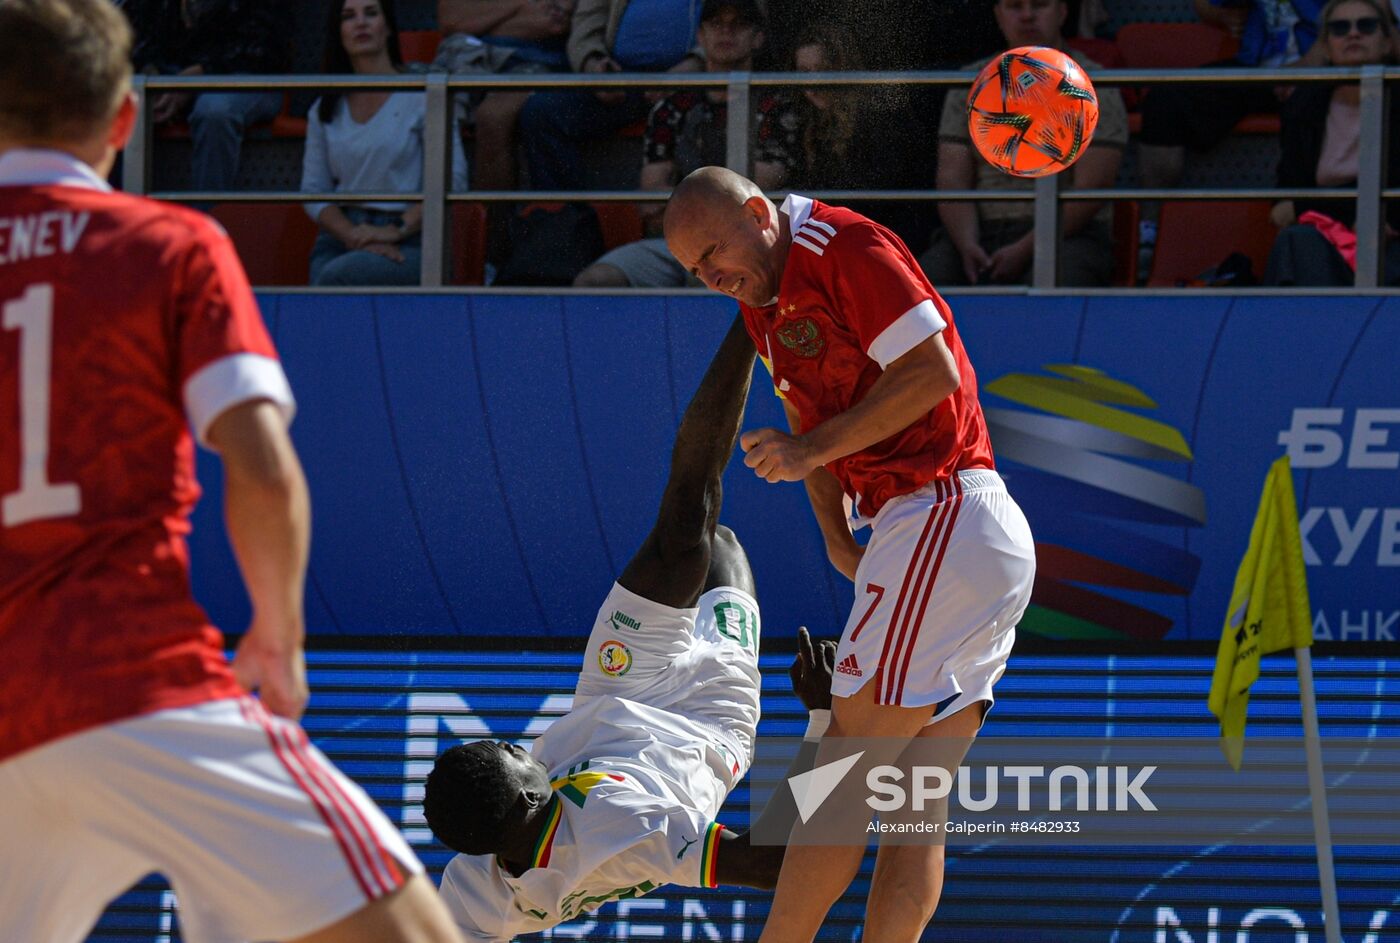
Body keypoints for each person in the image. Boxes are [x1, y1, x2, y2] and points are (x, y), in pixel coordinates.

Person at [0, 3, 462, 941]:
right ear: (126, 119)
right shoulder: (167, 246)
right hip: (132, 680)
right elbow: (259, 465)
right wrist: (279, 634)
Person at [664, 166, 1037, 941]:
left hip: (942, 513)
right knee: (913, 803)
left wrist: (809, 452)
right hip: (949, 534)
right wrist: (841, 540)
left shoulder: (844, 245)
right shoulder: (762, 302)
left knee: (842, 773)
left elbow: (931, 374)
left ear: (760, 213)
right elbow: (817, 430)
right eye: (695, 270)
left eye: (714, 254)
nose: (711, 277)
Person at [423, 315, 833, 940]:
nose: (515, 745)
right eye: (510, 755)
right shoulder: (627, 831)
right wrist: (823, 725)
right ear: (530, 799)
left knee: (685, 540)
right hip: (706, 720)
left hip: (613, 697)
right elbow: (769, 863)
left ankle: (750, 324)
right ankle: (753, 323)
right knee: (720, 542)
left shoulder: (474, 890)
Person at [572, 0, 799, 287]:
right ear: (700, 36)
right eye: (716, 24)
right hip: (680, 246)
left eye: (739, 24)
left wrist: (692, 212)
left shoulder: (776, 106)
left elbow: (765, 187)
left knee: (719, 272)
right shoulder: (672, 105)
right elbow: (651, 199)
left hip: (752, 246)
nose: (726, 32)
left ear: (758, 37)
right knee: (594, 282)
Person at [921, 0, 1128, 286]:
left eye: (1039, 5)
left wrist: (1025, 250)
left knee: (1061, 285)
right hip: (978, 232)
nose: (1027, 16)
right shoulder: (969, 81)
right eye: (1015, 6)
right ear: (998, 15)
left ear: (1062, 12)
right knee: (922, 288)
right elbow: (952, 180)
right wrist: (968, 245)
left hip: (1071, 235)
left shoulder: (1095, 82)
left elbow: (1092, 190)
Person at [1135, 0, 1326, 266]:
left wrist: (1307, 68)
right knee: (1164, 100)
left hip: (1325, 69)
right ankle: (1150, 227)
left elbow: (1357, 12)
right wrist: (1221, 14)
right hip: (1257, 67)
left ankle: (1299, 233)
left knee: (1306, 109)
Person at [300, 0, 469, 287]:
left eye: (371, 13)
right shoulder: (324, 108)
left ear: (388, 26)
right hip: (340, 239)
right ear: (338, 32)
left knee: (335, 280)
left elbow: (453, 179)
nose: (361, 23)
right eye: (348, 16)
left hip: (414, 241)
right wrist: (356, 237)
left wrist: (394, 231)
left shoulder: (425, 96)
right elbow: (314, 191)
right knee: (328, 282)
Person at [1264, 0, 1400, 285]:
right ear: (1325, 46)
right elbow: (1286, 193)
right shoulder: (1303, 104)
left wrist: (1306, 208)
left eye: (1367, 26)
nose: (1353, 34)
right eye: (1340, 28)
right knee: (1296, 242)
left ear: (1388, 42)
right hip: (1324, 232)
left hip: (1391, 229)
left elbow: (1296, 205)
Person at [515, 0, 708, 192]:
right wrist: (593, 64)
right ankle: (563, 217)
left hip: (699, 80)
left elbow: (730, 24)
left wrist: (694, 66)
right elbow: (586, 25)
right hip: (620, 80)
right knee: (541, 112)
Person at [788, 20, 936, 257]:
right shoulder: (808, 124)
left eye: (823, 71)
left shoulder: (882, 119)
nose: (812, 85)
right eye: (804, 73)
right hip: (841, 245)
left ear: (844, 69)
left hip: (890, 245)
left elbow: (878, 202)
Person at [118, 0, 291, 194]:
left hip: (248, 75)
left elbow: (263, 50)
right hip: (173, 75)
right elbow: (136, 40)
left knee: (215, 112)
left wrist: (192, 79)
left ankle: (209, 216)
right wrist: (153, 76)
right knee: (123, 101)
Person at [432, 0, 573, 193]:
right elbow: (451, 21)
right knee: (424, 106)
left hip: (540, 64)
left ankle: (493, 221)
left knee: (493, 116)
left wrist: (481, 17)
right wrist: (524, 4)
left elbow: (552, 23)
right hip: (466, 57)